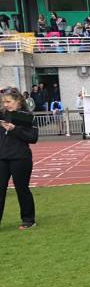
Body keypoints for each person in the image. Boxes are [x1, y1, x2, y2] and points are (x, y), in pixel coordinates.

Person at [0, 88, 38, 229]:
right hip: (2, 158)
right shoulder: (2, 115)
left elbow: (33, 138)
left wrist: (14, 129)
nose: (6, 104)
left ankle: (28, 220)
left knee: (22, 189)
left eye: (9, 101)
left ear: (18, 101)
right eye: (4, 102)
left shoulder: (26, 116)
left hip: (20, 158)